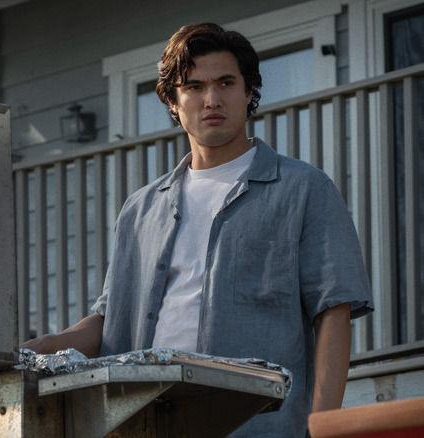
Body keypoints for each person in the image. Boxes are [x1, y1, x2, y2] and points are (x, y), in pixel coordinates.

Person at [20, 23, 374, 437]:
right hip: (142, 423)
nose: (212, 99)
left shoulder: (304, 189)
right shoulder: (140, 209)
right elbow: (111, 320)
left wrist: (324, 426)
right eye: (194, 86)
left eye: (226, 82)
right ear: (173, 101)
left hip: (256, 426)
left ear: (248, 92)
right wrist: (43, 347)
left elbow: (333, 312)